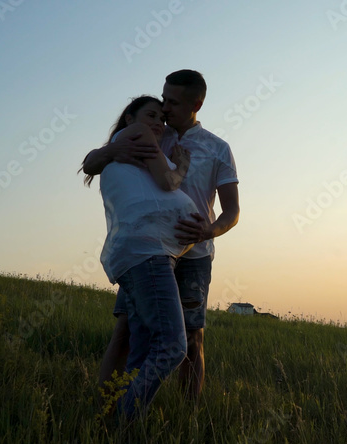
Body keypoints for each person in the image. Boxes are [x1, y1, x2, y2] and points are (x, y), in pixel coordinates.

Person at [84, 70, 240, 405]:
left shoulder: (218, 149)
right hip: (148, 252)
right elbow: (94, 161)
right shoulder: (153, 132)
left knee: (191, 338)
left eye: (173, 102)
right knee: (125, 331)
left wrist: (208, 231)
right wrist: (111, 154)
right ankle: (105, 407)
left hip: (194, 254)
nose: (165, 107)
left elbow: (232, 212)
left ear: (196, 104)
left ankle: (189, 415)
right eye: (163, 98)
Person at [82, 95, 196, 420]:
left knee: (142, 348)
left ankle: (120, 428)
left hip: (144, 253)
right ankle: (122, 419)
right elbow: (167, 181)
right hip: (148, 252)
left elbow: (92, 163)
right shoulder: (138, 136)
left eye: (162, 119)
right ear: (130, 117)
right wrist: (182, 166)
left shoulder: (122, 149)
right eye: (151, 115)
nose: (158, 124)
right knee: (173, 347)